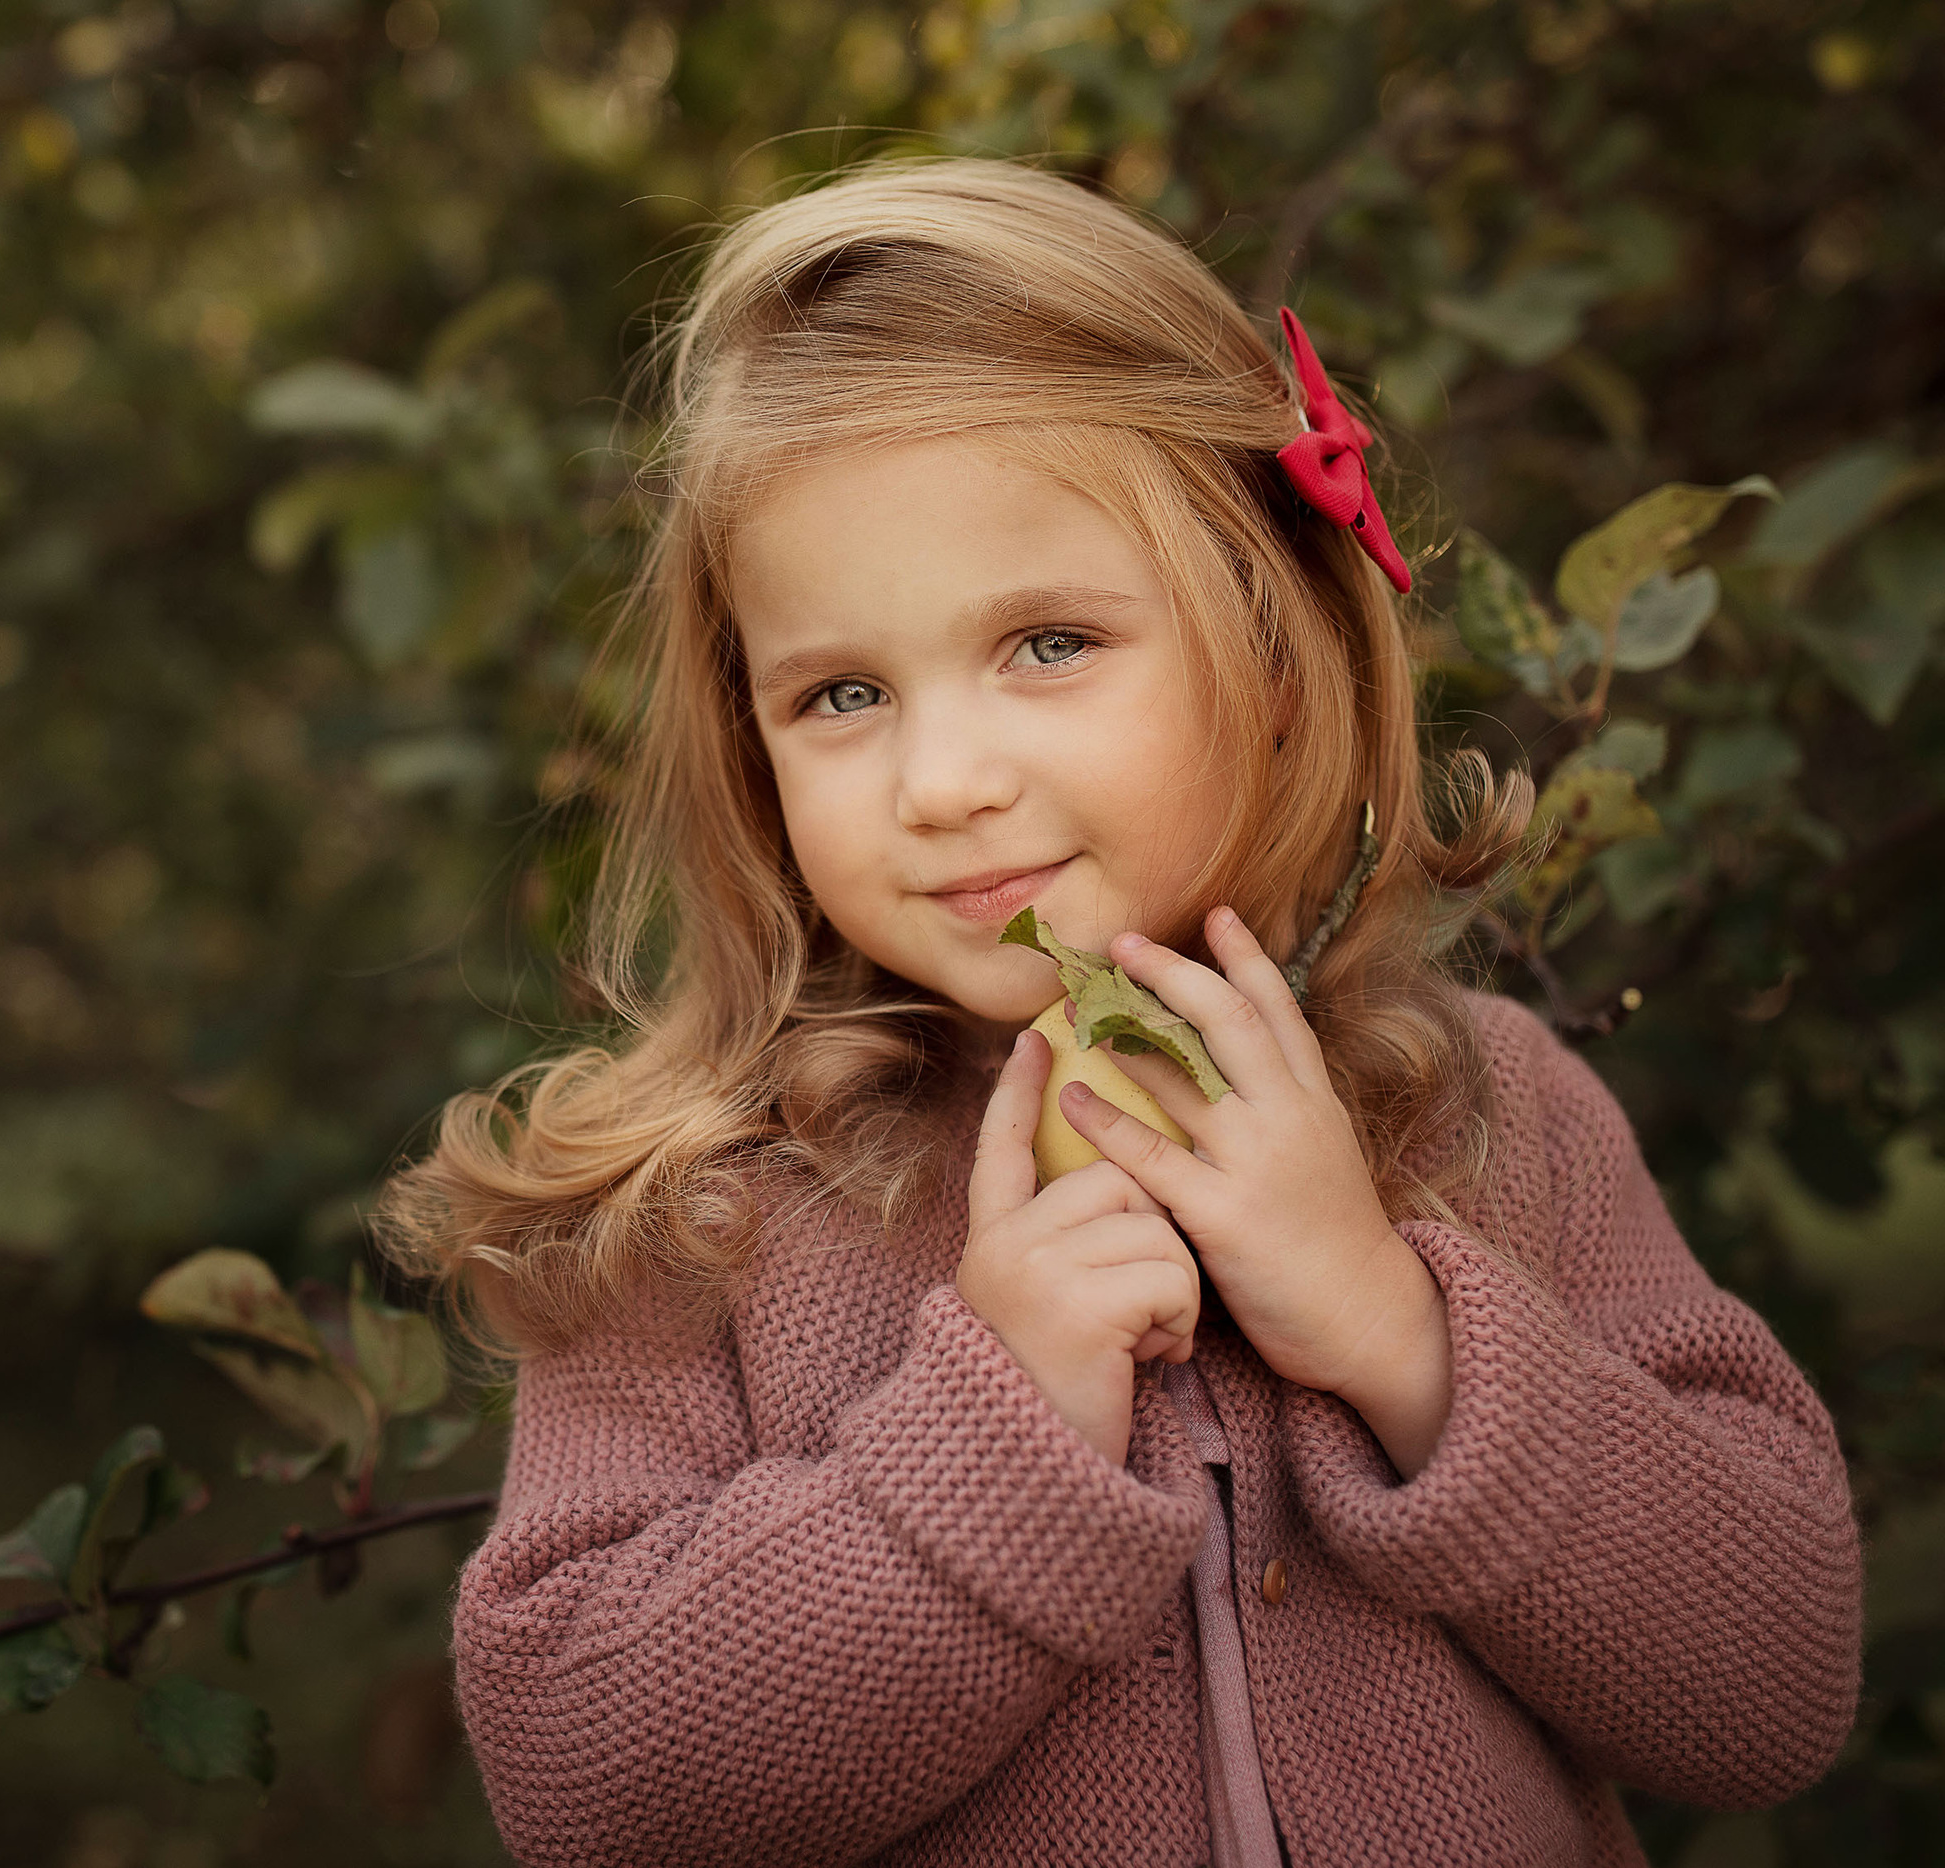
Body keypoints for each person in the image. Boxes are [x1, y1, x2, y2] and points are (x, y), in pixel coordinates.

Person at [371, 159, 1860, 1867]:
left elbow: (1778, 1684)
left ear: (1279, 651)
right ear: (748, 744)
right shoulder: (707, 1211)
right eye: (842, 692)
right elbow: (587, 1787)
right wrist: (1000, 1432)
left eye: (1050, 644)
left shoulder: (1481, 1113)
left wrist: (1399, 1334)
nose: (943, 781)